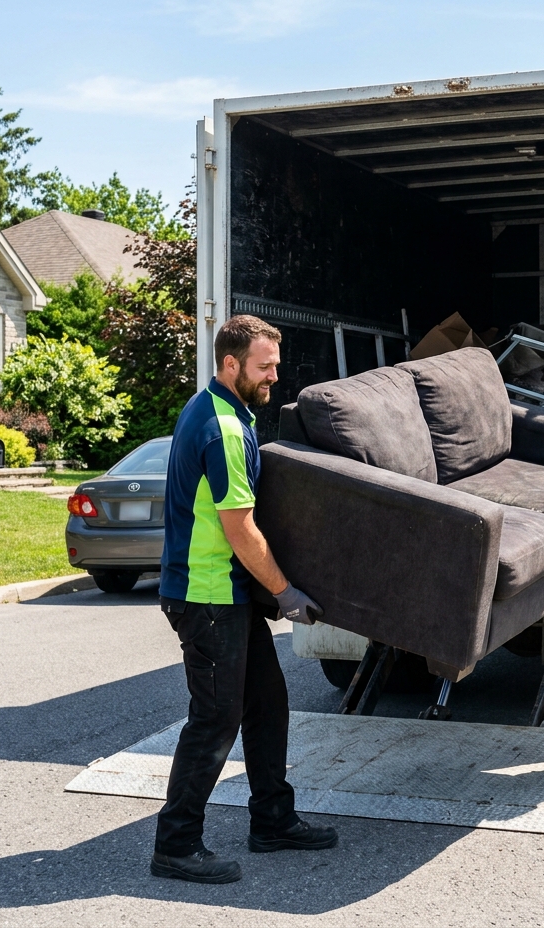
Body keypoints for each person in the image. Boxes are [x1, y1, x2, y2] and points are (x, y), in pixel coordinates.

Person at [151, 314, 338, 885]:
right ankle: (176, 845)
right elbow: (240, 528)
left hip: (226, 594)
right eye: (264, 367)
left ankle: (273, 820)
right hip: (206, 595)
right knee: (214, 719)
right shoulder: (224, 428)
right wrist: (286, 593)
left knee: (267, 703)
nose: (274, 376)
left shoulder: (218, 408)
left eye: (275, 365)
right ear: (230, 364)